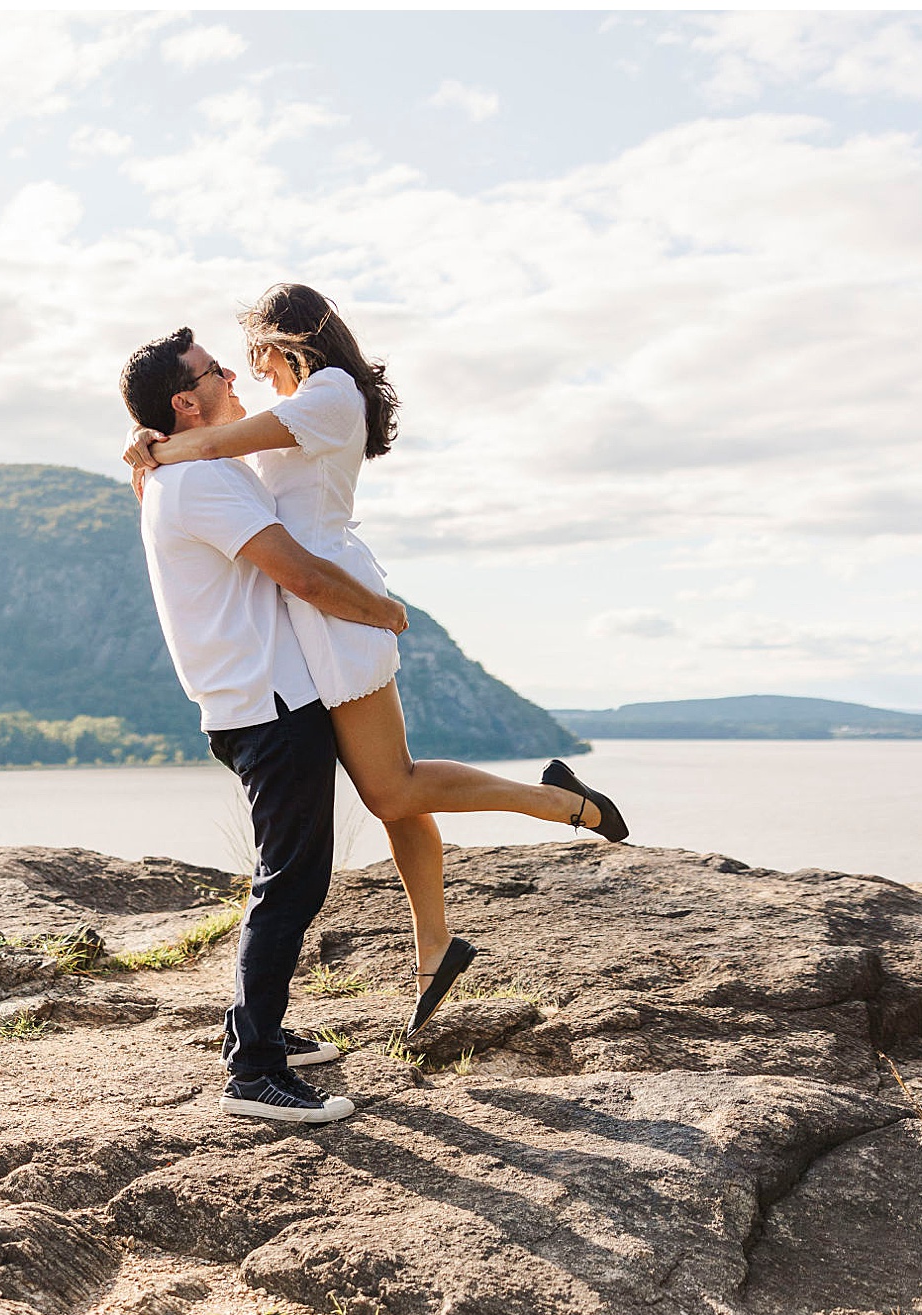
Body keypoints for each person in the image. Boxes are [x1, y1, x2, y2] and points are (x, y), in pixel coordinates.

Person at [125, 283, 630, 1034]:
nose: (246, 369)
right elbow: (210, 452)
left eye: (252, 351)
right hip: (309, 619)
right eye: (223, 367)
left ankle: (565, 802)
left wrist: (155, 447)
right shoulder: (279, 419)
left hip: (335, 608)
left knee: (394, 790)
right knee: (393, 790)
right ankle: (436, 946)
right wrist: (150, 444)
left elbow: (203, 444)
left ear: (285, 339)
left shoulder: (330, 394)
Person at [121, 325, 411, 1122]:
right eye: (215, 371)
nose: (230, 375)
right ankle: (252, 1070)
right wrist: (384, 613)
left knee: (288, 875)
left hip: (258, 700)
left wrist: (146, 444)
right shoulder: (201, 484)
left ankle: (263, 1032)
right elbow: (302, 576)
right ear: (188, 401)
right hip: (268, 704)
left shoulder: (198, 467)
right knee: (292, 881)